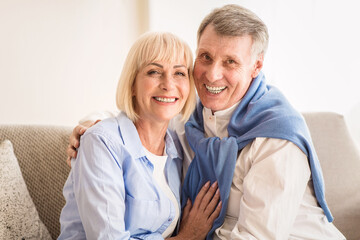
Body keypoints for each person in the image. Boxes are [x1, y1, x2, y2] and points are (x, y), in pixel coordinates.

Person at [67, 4, 345, 239]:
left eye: (230, 62)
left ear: (257, 66)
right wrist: (95, 124)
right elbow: (143, 113)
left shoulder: (278, 139)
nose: (212, 75)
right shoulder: (190, 119)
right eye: (206, 57)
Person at [59, 32, 222, 239]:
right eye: (154, 72)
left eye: (179, 73)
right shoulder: (101, 142)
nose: (168, 84)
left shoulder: (177, 148)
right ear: (132, 84)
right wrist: (188, 236)